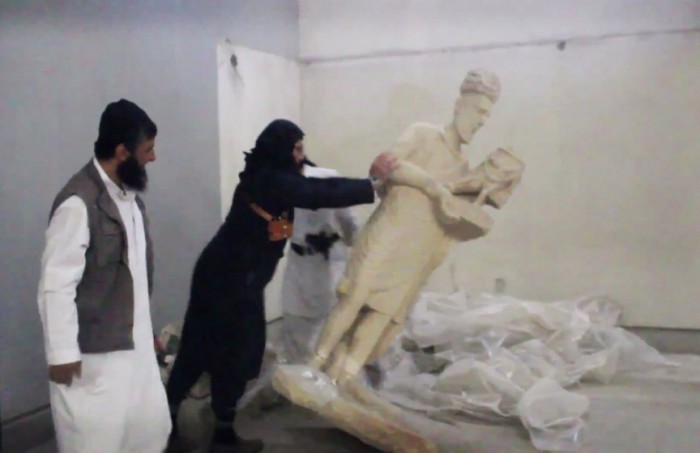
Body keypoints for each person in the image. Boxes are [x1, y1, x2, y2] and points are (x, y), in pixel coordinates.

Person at [165, 119, 397, 453]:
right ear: (281, 150)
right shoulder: (269, 179)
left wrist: (367, 184)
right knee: (203, 349)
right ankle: (169, 426)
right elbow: (315, 193)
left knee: (236, 354)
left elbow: (321, 185)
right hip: (223, 279)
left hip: (242, 280)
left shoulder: (277, 174)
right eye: (296, 149)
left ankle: (222, 435)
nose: (301, 156)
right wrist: (371, 184)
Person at [37, 99, 171, 452]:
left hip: (134, 351)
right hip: (95, 361)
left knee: (147, 435)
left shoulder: (131, 200)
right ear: (122, 152)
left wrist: (147, 331)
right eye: (147, 150)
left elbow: (135, 279)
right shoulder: (78, 204)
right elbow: (56, 285)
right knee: (97, 442)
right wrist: (62, 354)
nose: (153, 157)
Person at [278, 159, 359, 364]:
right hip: (299, 262)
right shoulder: (277, 185)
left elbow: (349, 222)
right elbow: (278, 230)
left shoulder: (326, 177)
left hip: (330, 260)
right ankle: (299, 375)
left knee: (331, 327)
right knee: (295, 326)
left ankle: (329, 374)